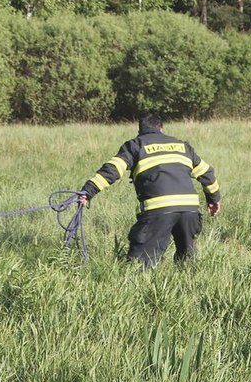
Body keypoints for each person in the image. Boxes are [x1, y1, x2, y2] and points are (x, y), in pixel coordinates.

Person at [77, 114, 221, 268]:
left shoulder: (135, 145)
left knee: (139, 265)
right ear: (161, 128)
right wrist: (213, 199)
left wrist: (88, 191)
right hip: (190, 210)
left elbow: (113, 170)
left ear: (140, 130)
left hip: (159, 210)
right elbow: (207, 173)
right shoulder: (183, 146)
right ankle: (190, 286)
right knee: (187, 261)